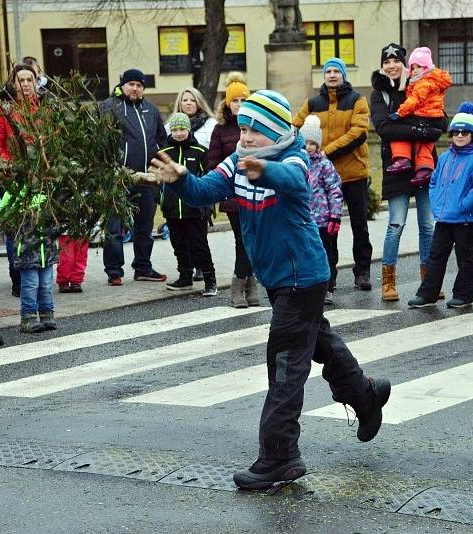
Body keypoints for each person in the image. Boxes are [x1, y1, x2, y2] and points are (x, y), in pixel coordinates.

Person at [150, 90, 390, 490]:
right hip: (279, 279)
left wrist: (266, 169)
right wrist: (181, 181)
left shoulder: (293, 155)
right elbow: (206, 191)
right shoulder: (238, 160)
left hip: (303, 279)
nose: (244, 137)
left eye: (253, 130)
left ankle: (280, 457)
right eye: (242, 128)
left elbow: (295, 181)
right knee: (320, 344)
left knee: (283, 366)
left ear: (274, 130)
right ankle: (366, 396)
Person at [370, 43, 448, 302]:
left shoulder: (421, 83)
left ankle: (429, 282)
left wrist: (413, 126)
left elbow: (440, 122)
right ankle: (388, 281)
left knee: (428, 225)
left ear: (406, 64)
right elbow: (385, 128)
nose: (392, 65)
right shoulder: (379, 94)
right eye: (387, 61)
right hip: (396, 166)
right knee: (396, 223)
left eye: (396, 61)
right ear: (382, 66)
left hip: (424, 164)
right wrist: (420, 130)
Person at [293, 57, 374, 291]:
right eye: (327, 71)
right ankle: (329, 274)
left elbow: (359, 132)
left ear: (343, 75)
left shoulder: (357, 100)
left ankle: (363, 271)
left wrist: (325, 151)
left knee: (360, 225)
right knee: (326, 229)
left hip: (353, 174)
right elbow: (295, 127)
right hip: (321, 179)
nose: (331, 75)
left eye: (336, 71)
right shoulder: (312, 103)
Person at [0, 63, 57, 333]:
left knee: (46, 261)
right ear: (13, 83)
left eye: (30, 79)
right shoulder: (3, 110)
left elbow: (53, 140)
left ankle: (47, 310)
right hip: (17, 182)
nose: (26, 84)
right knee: (28, 259)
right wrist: (14, 167)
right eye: (21, 80)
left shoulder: (43, 110)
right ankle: (29, 314)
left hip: (43, 180)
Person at [408, 102, 473, 309]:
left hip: (463, 220)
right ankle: (428, 294)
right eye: (456, 132)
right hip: (443, 218)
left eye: (465, 132)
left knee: (465, 258)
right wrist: (435, 203)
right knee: (436, 257)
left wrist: (462, 205)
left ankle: (463, 295)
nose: (460, 136)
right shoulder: (444, 157)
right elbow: (433, 182)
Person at [99, 68, 167, 286]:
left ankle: (143, 267)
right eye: (131, 84)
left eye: (139, 85)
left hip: (146, 179)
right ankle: (114, 271)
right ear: (122, 85)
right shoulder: (109, 107)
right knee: (114, 227)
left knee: (144, 228)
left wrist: (158, 167)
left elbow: (161, 140)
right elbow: (99, 142)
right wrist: (111, 167)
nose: (135, 88)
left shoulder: (151, 110)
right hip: (117, 178)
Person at [208, 72, 258, 307]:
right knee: (242, 240)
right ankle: (239, 286)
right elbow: (213, 163)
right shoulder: (221, 129)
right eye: (235, 100)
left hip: (256, 192)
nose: (239, 104)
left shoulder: (253, 126)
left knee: (253, 239)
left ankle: (251, 283)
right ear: (228, 103)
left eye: (243, 100)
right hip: (232, 195)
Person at [160, 112, 217, 296]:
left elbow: (208, 177)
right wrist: (160, 199)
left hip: (194, 209)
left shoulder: (200, 152)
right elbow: (157, 178)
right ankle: (185, 276)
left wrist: (206, 203)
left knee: (199, 245)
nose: (178, 133)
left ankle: (210, 280)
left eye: (182, 129)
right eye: (175, 129)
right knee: (179, 245)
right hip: (172, 209)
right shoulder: (164, 153)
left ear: (188, 129)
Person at [386, 47, 452, 186]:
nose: (414, 70)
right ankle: (425, 168)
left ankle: (402, 158)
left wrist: (400, 113)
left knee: (398, 131)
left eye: (419, 67)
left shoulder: (423, 83)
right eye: (413, 67)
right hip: (434, 115)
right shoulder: (432, 80)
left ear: (427, 67)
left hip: (423, 114)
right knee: (424, 144)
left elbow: (414, 100)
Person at [300, 115, 342, 305]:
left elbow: (334, 190)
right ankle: (309, 285)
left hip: (324, 220)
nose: (308, 147)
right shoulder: (298, 165)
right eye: (305, 143)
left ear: (318, 145)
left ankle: (329, 286)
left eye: (312, 143)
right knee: (307, 254)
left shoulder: (325, 165)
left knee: (327, 253)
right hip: (304, 220)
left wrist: (335, 216)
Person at [166, 87, 217, 152]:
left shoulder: (212, 124)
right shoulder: (169, 126)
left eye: (193, 100)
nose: (189, 103)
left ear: (199, 102)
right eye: (185, 100)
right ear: (179, 103)